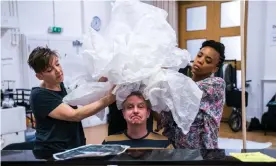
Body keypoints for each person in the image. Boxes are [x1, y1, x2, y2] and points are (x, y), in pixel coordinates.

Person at [28, 46, 116, 151]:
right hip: (53, 153)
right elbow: (75, 115)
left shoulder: (63, 86)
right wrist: (110, 98)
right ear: (39, 76)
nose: (58, 70)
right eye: (49, 70)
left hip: (73, 147)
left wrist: (102, 82)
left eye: (57, 64)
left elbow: (87, 96)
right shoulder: (39, 95)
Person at [156, 40, 226, 149]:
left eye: (208, 60)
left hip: (202, 152)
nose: (200, 61)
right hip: (176, 149)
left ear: (214, 69)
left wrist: (163, 73)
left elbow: (186, 93)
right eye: (199, 55)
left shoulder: (216, 85)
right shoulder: (183, 83)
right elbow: (166, 114)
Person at [103, 91, 173, 149]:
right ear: (123, 113)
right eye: (130, 107)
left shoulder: (164, 144)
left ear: (148, 113)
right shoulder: (109, 143)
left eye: (140, 107)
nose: (135, 111)